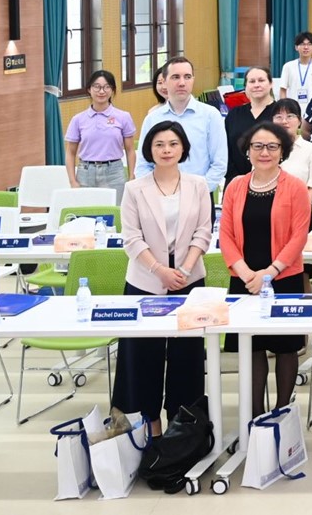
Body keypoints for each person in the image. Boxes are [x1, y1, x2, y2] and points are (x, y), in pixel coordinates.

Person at [113, 121, 212, 426]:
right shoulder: (134, 188)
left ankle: (183, 428)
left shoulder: (198, 185)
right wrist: (160, 271)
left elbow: (203, 232)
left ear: (183, 148)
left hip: (188, 280)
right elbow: (131, 239)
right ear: (149, 150)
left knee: (187, 356)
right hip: (145, 280)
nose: (166, 150)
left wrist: (183, 270)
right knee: (142, 356)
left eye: (172, 144)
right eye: (159, 144)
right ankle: (147, 427)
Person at [220, 121, 312, 417]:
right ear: (247, 150)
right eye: (258, 146)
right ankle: (256, 416)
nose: (264, 152)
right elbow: (225, 235)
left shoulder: (295, 187)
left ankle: (282, 413)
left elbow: (299, 235)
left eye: (272, 146)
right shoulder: (235, 186)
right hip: (245, 279)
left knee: (285, 348)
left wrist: (269, 273)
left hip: (284, 278)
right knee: (252, 346)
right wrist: (247, 274)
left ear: (282, 151)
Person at [136, 57, 228, 192]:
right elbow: (143, 165)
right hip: (160, 195)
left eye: (187, 77)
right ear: (164, 82)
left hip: (199, 193)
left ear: (193, 80)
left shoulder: (210, 115)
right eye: (175, 77)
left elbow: (219, 163)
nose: (182, 83)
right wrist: (156, 192)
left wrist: (199, 191)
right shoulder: (152, 119)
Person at [65, 70, 137, 202]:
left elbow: (130, 149)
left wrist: (131, 176)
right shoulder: (78, 119)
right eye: (97, 87)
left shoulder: (123, 117)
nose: (101, 91)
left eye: (107, 87)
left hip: (114, 172)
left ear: (113, 90)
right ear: (89, 89)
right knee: (86, 211)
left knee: (115, 210)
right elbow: (70, 152)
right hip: (85, 172)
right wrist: (72, 181)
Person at [224, 66, 278, 185]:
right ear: (246, 86)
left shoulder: (280, 113)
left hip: (272, 181)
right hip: (236, 181)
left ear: (271, 83)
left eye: (261, 80)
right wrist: (235, 178)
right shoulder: (234, 114)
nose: (256, 85)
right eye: (252, 81)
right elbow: (225, 149)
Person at [271, 99, 312, 200]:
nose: (284, 121)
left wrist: (299, 207)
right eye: (279, 117)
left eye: (290, 116)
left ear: (300, 120)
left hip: (299, 206)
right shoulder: (263, 148)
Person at [277, 31, 312, 103]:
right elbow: (283, 90)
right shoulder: (288, 66)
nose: (306, 47)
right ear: (296, 47)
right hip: (293, 107)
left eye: (309, 44)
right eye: (302, 44)